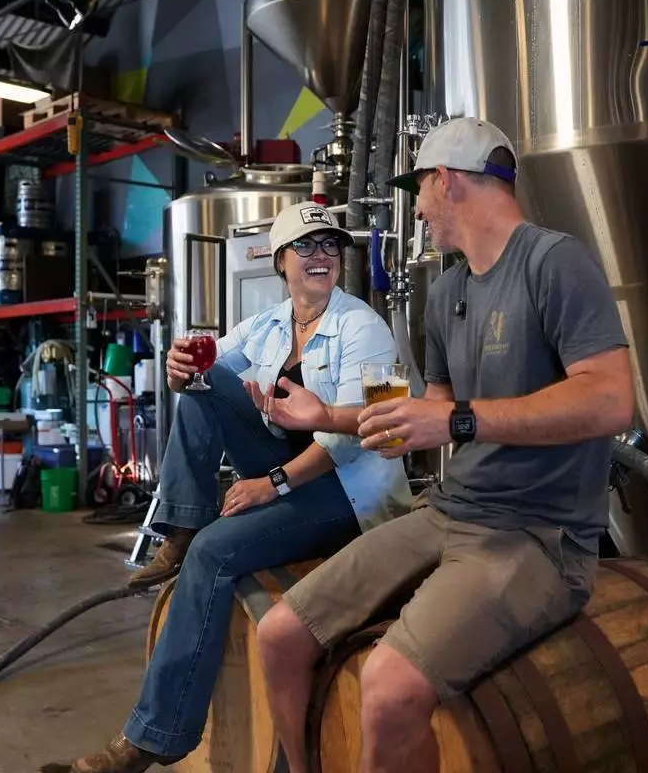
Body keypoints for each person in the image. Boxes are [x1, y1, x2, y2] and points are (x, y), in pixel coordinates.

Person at [252, 117, 635, 773]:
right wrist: (333, 416)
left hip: (539, 535)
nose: (419, 211)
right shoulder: (448, 290)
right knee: (280, 634)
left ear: (447, 181)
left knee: (389, 687)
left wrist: (458, 423)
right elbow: (430, 413)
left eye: (421, 192)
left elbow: (610, 400)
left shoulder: (553, 262)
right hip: (448, 513)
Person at [48, 201, 412, 773]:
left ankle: (147, 742)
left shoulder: (365, 326)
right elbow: (206, 370)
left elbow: (371, 432)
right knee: (202, 379)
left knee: (220, 553)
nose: (322, 257)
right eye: (307, 247)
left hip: (348, 492)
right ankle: (184, 525)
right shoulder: (270, 323)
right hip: (289, 472)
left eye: (330, 246)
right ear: (281, 262)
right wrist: (178, 366)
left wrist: (272, 484)